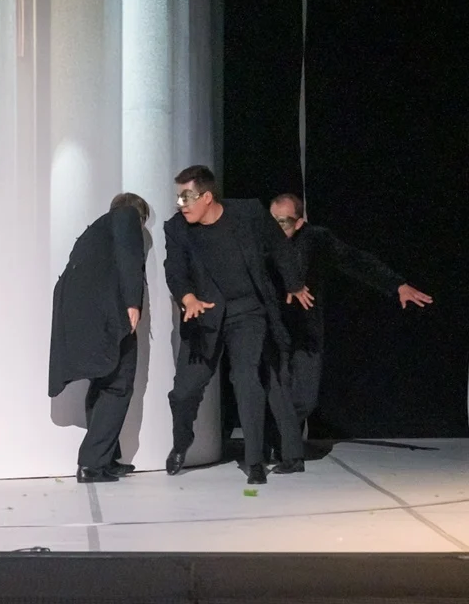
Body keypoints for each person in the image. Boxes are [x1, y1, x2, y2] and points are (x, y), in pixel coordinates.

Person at [164, 166, 313, 485]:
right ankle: (181, 442)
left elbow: (279, 245)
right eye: (178, 198)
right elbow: (174, 269)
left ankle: (254, 460)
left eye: (186, 197)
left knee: (246, 379)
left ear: (207, 196)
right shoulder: (177, 228)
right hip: (204, 314)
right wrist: (187, 297)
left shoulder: (248, 213)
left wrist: (293, 282)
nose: (181, 204)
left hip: (248, 312)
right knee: (184, 391)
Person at [268, 193, 432, 435]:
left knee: (304, 399)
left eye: (284, 222)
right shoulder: (261, 240)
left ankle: (280, 436)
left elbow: (354, 260)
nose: (276, 228)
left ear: (300, 222)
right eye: (272, 221)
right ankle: (276, 444)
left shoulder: (315, 239)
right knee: (272, 391)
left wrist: (396, 285)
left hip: (306, 331)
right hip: (271, 327)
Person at [49, 193, 150, 483]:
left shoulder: (93, 234)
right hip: (108, 315)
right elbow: (129, 259)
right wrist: (133, 301)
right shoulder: (126, 217)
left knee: (104, 382)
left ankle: (105, 458)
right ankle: (91, 464)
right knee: (118, 385)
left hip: (84, 316)